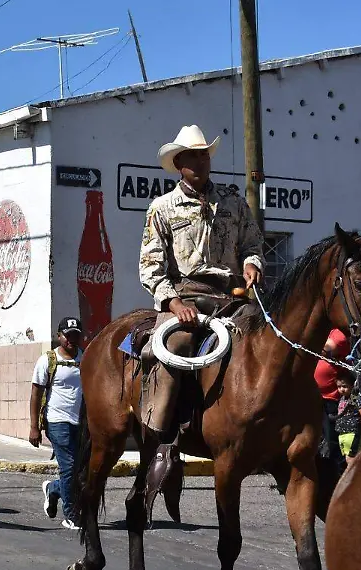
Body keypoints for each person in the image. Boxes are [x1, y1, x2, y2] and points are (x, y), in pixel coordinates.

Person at [137, 124, 263, 518]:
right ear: (179, 164)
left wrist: (251, 264)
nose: (202, 161)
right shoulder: (162, 208)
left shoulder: (233, 202)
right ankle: (162, 440)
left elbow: (254, 243)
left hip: (231, 297)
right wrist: (173, 302)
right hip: (185, 296)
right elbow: (150, 266)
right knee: (175, 351)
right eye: (194, 156)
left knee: (267, 343)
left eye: (205, 154)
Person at [28, 317, 84, 530]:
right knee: (69, 467)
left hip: (79, 422)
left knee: (78, 470)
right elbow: (36, 394)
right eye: (67, 335)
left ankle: (54, 488)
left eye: (75, 335)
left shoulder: (84, 358)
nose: (71, 339)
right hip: (56, 420)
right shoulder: (47, 360)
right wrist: (34, 426)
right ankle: (70, 515)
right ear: (59, 336)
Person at [314, 327, 351, 462]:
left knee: (332, 439)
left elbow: (326, 347)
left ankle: (335, 470)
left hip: (331, 399)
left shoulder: (339, 334)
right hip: (317, 396)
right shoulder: (329, 331)